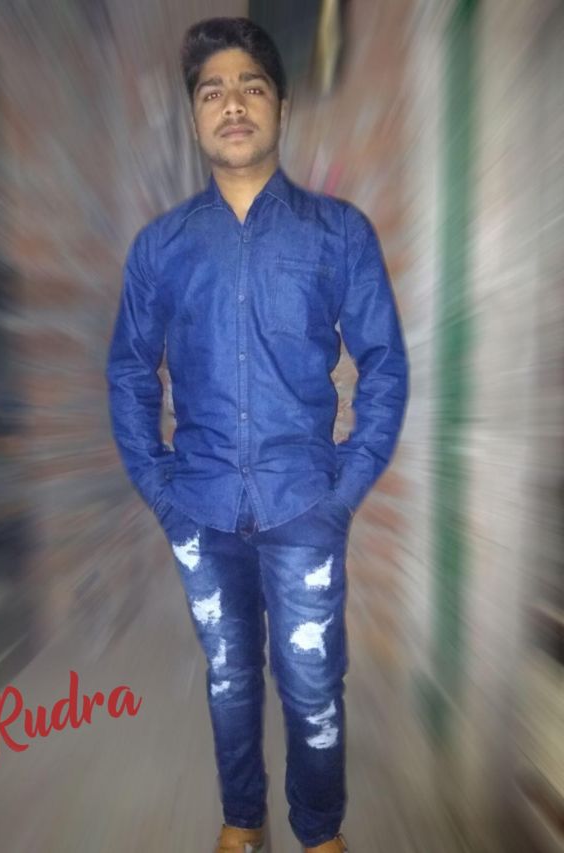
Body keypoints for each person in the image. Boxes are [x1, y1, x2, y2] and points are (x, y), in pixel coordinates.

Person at [106, 16, 409, 853]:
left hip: (303, 506)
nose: (232, 103)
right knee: (230, 677)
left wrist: (344, 489)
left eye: (251, 86)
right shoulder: (161, 248)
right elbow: (130, 373)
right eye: (212, 92)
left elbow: (384, 365)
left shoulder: (337, 233)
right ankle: (243, 818)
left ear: (281, 106)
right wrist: (162, 492)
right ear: (195, 116)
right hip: (200, 510)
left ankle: (319, 830)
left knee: (312, 684)